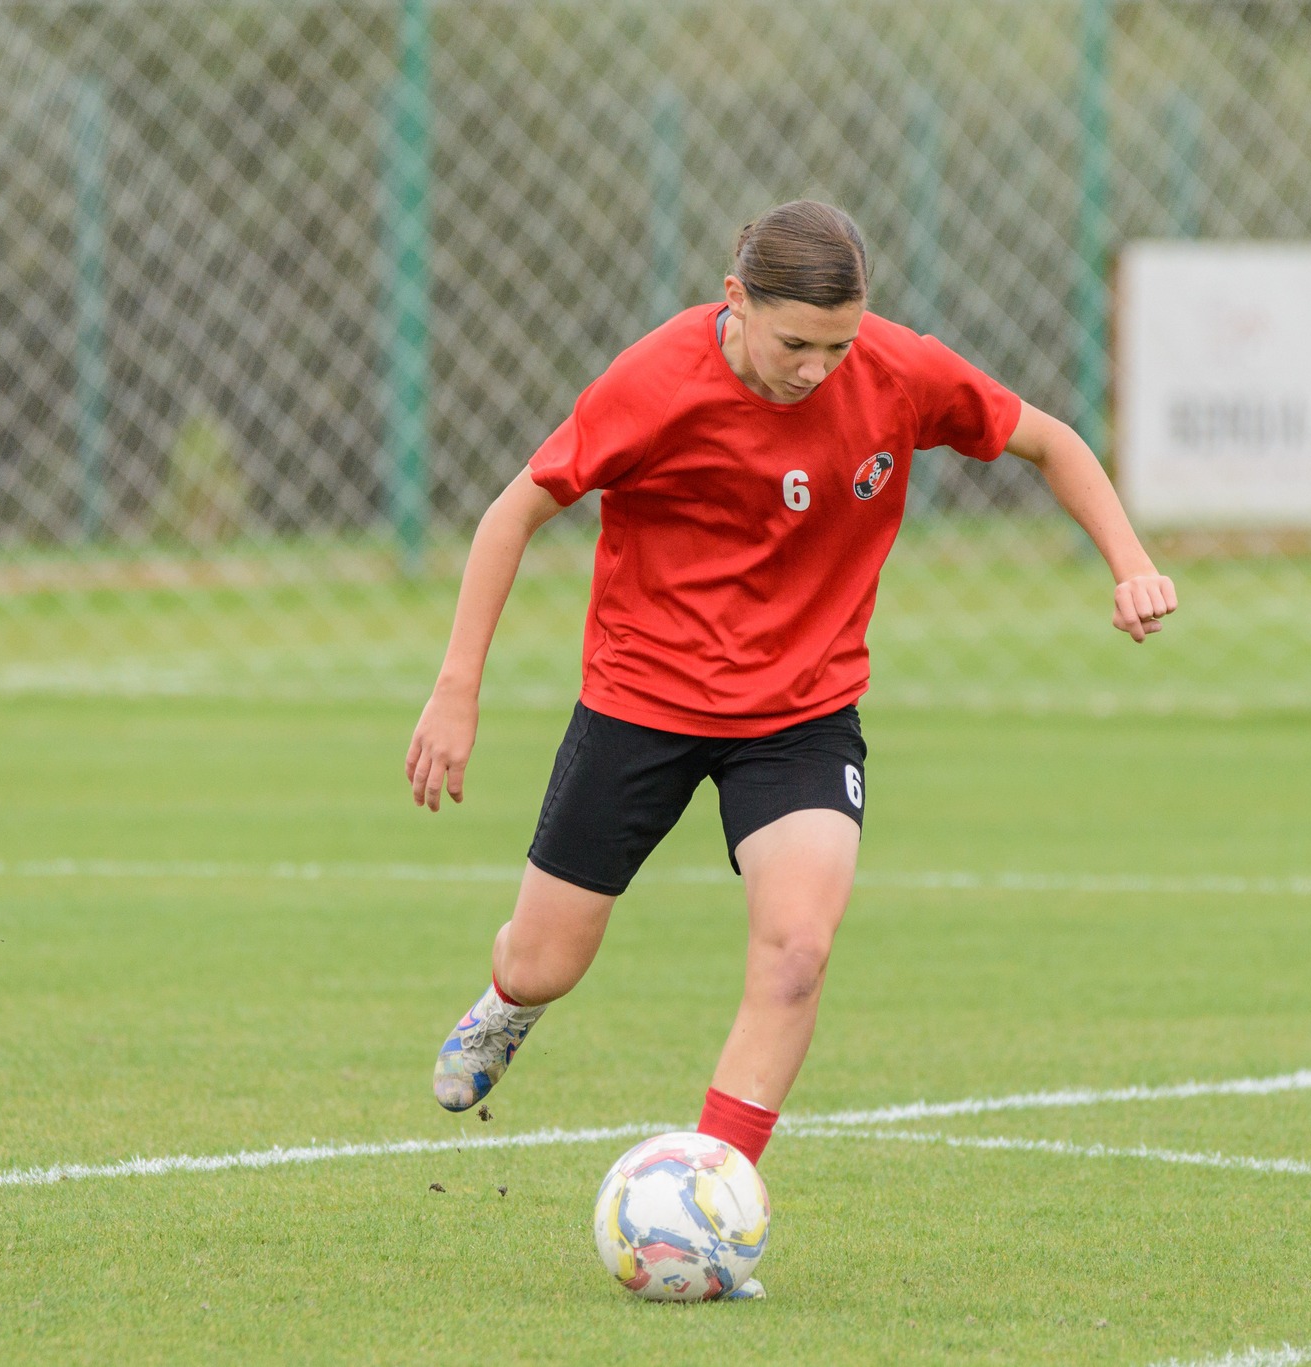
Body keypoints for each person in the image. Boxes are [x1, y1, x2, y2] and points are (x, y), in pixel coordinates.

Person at [405, 200, 1177, 1297]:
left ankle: (712, 1201)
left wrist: (1127, 561)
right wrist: (455, 692)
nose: (818, 368)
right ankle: (509, 1002)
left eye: (838, 344)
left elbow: (1048, 440)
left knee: (797, 950)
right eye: (792, 344)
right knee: (545, 959)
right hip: (643, 697)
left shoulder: (896, 371)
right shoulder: (654, 384)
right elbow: (510, 514)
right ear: (734, 302)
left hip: (802, 712)